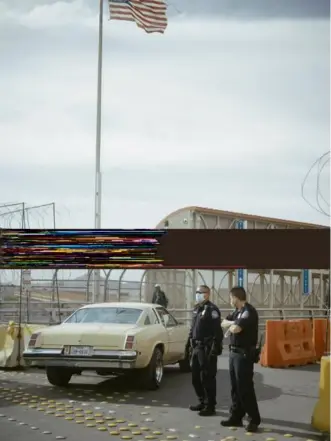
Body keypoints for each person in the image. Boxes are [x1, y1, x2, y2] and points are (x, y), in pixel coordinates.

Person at [220, 286, 261, 433]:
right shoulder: (237, 312)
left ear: (236, 298)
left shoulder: (248, 312)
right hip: (233, 353)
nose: (230, 300)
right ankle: (236, 416)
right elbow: (224, 322)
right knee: (235, 388)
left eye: (231, 298)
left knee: (245, 388)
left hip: (244, 355)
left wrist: (233, 325)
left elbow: (237, 329)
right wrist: (233, 323)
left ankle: (254, 419)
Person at [188, 285, 223, 416]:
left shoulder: (212, 310)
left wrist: (214, 349)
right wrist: (190, 342)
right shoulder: (197, 308)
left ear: (207, 294)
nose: (197, 294)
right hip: (196, 347)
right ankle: (202, 401)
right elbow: (193, 327)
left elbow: (217, 332)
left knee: (207, 377)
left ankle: (210, 405)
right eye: (196, 292)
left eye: (200, 292)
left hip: (207, 348)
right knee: (195, 377)